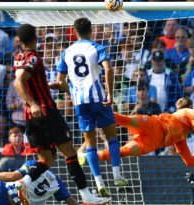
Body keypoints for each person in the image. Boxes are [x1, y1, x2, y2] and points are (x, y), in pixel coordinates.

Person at [12, 23, 110, 204]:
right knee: (70, 154)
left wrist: (40, 92)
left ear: (19, 40)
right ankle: (87, 196)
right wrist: (33, 103)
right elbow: (18, 82)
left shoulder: (18, 58)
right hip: (45, 112)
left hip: (30, 117)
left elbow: (26, 82)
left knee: (45, 160)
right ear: (35, 37)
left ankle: (22, 182)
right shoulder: (34, 58)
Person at [51, 17, 127, 197]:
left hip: (80, 102)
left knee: (90, 144)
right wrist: (109, 93)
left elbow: (59, 82)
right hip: (98, 98)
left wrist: (72, 92)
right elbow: (108, 69)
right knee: (112, 138)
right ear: (91, 30)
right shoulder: (97, 47)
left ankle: (99, 182)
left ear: (74, 31)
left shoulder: (67, 52)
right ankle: (117, 175)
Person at [81, 98, 194, 169]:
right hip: (155, 125)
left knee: (124, 151)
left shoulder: (181, 135)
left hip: (155, 141)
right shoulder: (188, 113)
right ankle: (95, 110)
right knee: (128, 120)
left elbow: (189, 160)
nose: (180, 101)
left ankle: (88, 156)